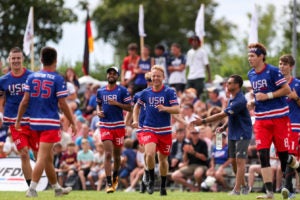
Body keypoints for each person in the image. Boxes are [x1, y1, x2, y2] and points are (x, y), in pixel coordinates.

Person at [15, 47, 77, 197]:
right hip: (50, 123)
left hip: (34, 123)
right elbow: (63, 104)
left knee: (49, 157)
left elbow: (24, 102)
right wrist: (72, 121)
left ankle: (57, 188)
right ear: (56, 60)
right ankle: (32, 189)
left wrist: (18, 120)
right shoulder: (57, 79)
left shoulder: (31, 77)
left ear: (41, 60)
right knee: (43, 157)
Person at [192, 74, 252, 195]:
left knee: (240, 161)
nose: (227, 85)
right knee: (234, 162)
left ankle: (236, 189)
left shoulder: (240, 100)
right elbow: (231, 117)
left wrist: (203, 121)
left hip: (243, 133)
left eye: (230, 83)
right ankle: (244, 186)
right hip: (232, 132)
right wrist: (223, 127)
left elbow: (222, 115)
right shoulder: (231, 99)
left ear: (237, 85)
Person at [247, 43, 291, 199]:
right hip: (261, 120)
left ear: (261, 56)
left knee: (284, 155)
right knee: (263, 155)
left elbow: (287, 90)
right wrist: (253, 102)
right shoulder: (251, 74)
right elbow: (258, 94)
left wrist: (268, 96)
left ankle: (288, 185)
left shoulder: (273, 71)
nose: (249, 58)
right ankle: (269, 193)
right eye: (249, 55)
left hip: (279, 118)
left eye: (252, 55)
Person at [132, 65, 180, 196]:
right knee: (149, 153)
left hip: (165, 130)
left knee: (163, 160)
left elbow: (177, 109)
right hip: (149, 128)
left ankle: (163, 186)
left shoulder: (169, 91)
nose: (155, 78)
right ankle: (151, 180)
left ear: (163, 77)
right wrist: (135, 120)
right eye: (153, 76)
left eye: (158, 76)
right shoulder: (145, 93)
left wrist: (165, 108)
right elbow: (136, 107)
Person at [0, 47, 39, 187]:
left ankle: (48, 184)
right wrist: (2, 113)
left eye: (18, 58)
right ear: (9, 60)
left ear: (23, 59)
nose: (16, 61)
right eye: (13, 58)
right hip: (15, 122)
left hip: (33, 120)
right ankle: (31, 188)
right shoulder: (3, 80)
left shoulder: (33, 77)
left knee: (39, 153)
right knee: (23, 153)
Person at [96, 66, 132, 193]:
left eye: (114, 73)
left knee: (117, 157)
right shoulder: (100, 91)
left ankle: (115, 178)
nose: (111, 75)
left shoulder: (122, 91)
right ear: (107, 76)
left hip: (118, 126)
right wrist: (98, 112)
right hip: (105, 125)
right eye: (109, 73)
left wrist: (117, 104)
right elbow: (98, 104)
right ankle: (108, 182)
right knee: (108, 154)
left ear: (117, 76)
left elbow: (130, 108)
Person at [278, 54, 299, 199]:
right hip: (279, 125)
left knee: (289, 155)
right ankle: (290, 190)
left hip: (294, 124)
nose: (282, 66)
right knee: (285, 157)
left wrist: (296, 98)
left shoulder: (297, 84)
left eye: (285, 64)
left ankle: (286, 187)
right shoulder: (276, 84)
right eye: (280, 63)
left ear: (291, 67)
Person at [171, 127, 208, 192]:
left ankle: (199, 188)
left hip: (201, 165)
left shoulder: (203, 143)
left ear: (198, 134)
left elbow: (204, 158)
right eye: (193, 133)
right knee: (174, 175)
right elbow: (185, 160)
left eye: (196, 133)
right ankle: (192, 187)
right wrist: (185, 152)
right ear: (191, 134)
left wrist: (193, 152)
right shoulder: (188, 144)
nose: (194, 135)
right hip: (191, 165)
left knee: (197, 174)